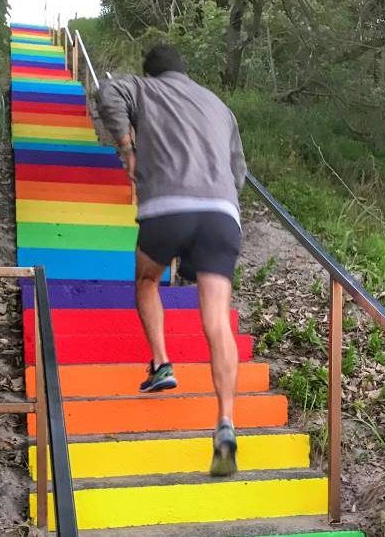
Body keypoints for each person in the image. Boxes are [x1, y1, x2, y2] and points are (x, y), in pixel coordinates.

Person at [96, 45, 247, 476]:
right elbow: (238, 171)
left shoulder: (142, 88)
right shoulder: (219, 106)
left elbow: (108, 94)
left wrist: (128, 149)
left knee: (146, 280)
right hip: (222, 214)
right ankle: (226, 423)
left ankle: (161, 363)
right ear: (186, 73)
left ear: (151, 72)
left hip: (168, 209)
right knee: (216, 320)